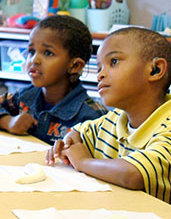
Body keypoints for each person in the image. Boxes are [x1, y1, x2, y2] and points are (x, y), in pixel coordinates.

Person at [45, 27, 171, 217]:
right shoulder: (117, 118)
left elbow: (133, 175)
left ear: (155, 70)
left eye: (113, 62)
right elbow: (80, 133)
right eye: (99, 68)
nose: (100, 75)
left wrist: (83, 162)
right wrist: (70, 140)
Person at [0, 15, 107, 145]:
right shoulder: (24, 97)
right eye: (32, 51)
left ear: (75, 65)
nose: (34, 60)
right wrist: (8, 122)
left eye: (48, 53)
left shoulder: (92, 116)